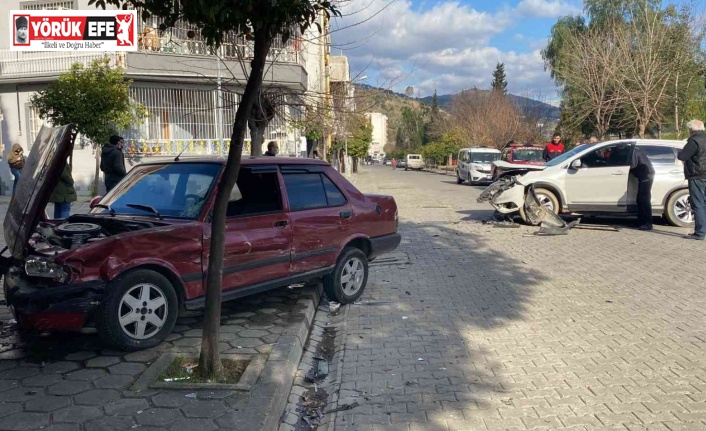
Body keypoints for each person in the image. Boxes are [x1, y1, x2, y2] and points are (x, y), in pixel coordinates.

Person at [678, 119, 706, 240]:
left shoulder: (694, 141)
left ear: (691, 129)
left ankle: (700, 232)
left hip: (697, 175)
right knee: (704, 203)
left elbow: (682, 156)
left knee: (698, 204)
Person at [630, 146, 655, 231]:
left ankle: (648, 223)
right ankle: (640, 221)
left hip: (646, 175)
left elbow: (633, 165)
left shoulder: (633, 152)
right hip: (644, 175)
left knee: (644, 200)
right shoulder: (635, 150)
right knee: (640, 199)